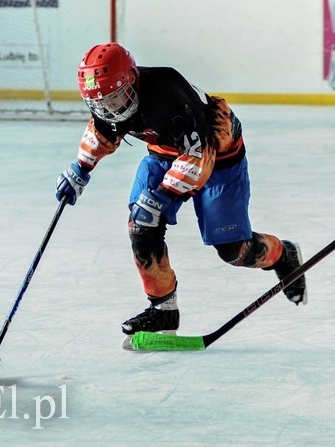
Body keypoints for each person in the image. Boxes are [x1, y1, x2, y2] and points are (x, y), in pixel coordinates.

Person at [55, 43, 307, 336]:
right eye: (102, 104)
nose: (112, 110)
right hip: (163, 155)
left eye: (116, 100)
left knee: (234, 250)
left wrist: (162, 195)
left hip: (216, 158)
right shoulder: (109, 98)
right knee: (141, 223)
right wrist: (81, 167)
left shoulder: (169, 96)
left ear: (133, 80)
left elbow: (199, 156)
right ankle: (163, 310)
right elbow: (103, 129)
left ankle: (282, 254)